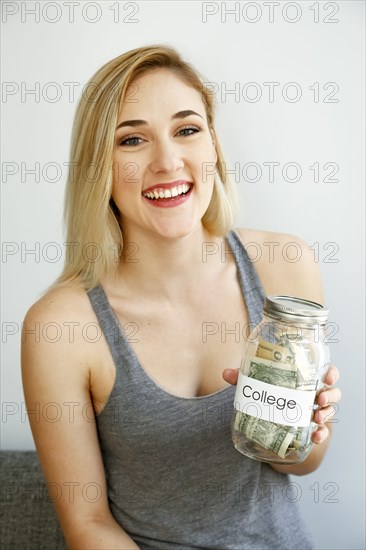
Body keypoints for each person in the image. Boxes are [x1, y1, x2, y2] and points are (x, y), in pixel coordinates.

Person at [21, 44, 341, 550]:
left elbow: (302, 463)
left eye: (186, 130)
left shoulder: (286, 265)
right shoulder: (60, 327)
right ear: (99, 168)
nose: (168, 161)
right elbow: (87, 524)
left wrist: (301, 427)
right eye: (132, 140)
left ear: (212, 143)